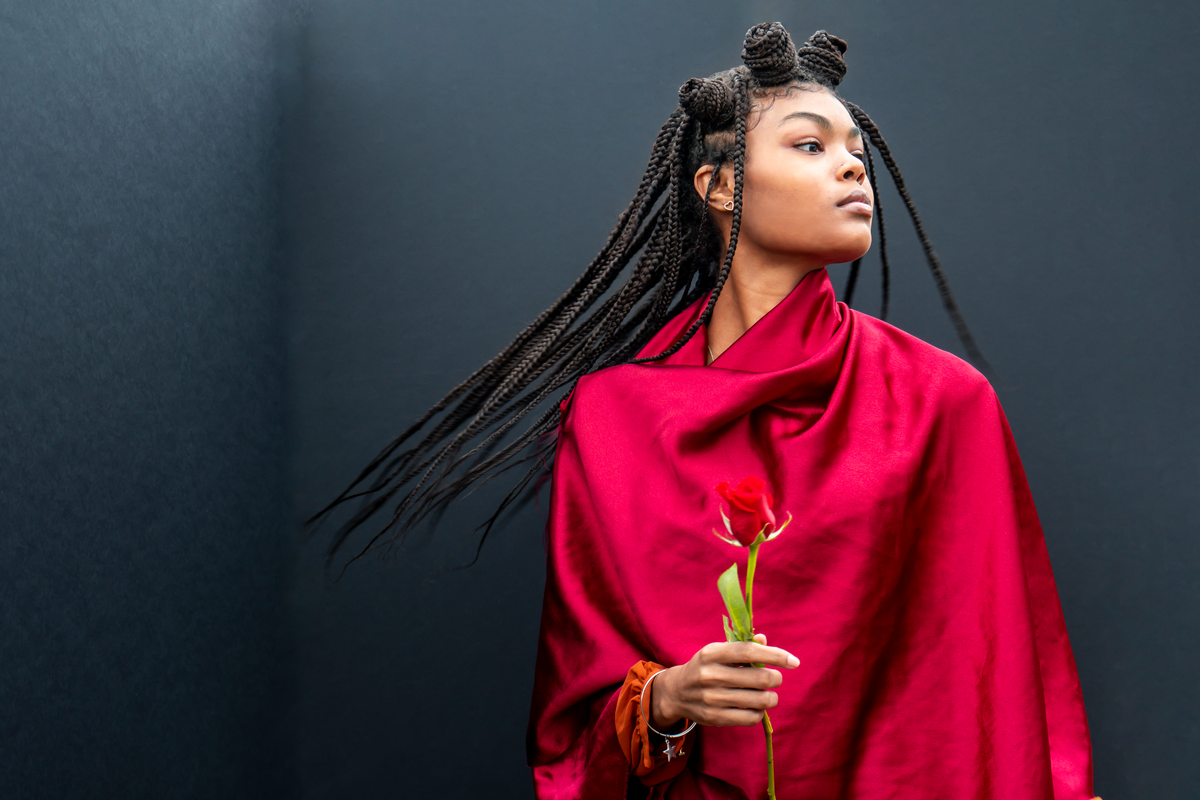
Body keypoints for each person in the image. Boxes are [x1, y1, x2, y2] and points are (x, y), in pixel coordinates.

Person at [317, 22, 1098, 800]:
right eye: (810, 145)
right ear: (720, 185)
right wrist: (665, 699)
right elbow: (574, 706)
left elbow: (1002, 676)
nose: (854, 165)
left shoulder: (943, 400)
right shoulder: (609, 417)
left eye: (857, 148)